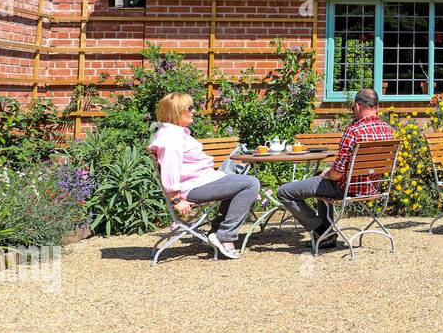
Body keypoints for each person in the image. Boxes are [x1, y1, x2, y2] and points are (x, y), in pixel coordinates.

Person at [276, 88, 395, 248]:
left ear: (357, 106)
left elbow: (337, 175)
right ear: (377, 107)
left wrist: (327, 174)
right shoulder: (389, 131)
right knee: (321, 178)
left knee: (284, 192)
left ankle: (323, 230)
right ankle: (327, 236)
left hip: (346, 188)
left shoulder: (354, 132)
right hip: (372, 188)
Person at [150, 92, 261, 260]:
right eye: (190, 108)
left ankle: (217, 231)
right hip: (192, 187)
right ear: (176, 112)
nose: (194, 111)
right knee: (250, 184)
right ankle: (224, 237)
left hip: (203, 180)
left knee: (243, 183)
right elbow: (170, 169)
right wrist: (176, 199)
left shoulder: (176, 133)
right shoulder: (171, 138)